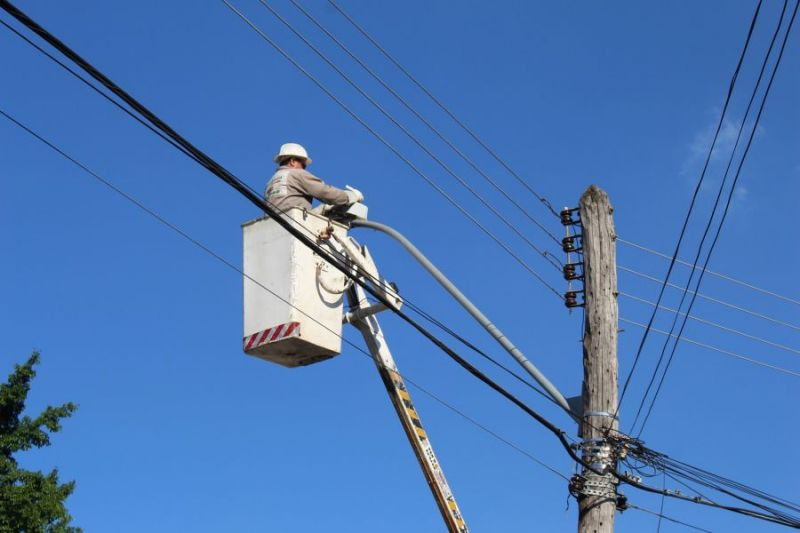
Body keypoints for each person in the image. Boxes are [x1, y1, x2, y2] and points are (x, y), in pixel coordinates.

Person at [264, 143, 363, 212]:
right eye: (303, 165)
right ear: (292, 161)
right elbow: (324, 192)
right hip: (294, 224)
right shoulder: (297, 174)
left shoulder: (270, 183)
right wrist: (349, 196)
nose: (304, 168)